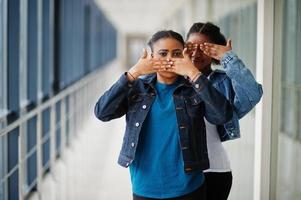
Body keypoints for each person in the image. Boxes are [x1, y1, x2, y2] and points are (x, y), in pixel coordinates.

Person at [94, 30, 233, 200]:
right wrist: (133, 73)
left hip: (190, 189)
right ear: (151, 57)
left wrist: (193, 73)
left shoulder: (195, 88)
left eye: (176, 54)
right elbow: (102, 112)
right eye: (162, 53)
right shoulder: (137, 88)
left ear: (184, 56)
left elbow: (223, 115)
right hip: (145, 188)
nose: (169, 59)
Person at [185, 22, 263, 200]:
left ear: (213, 52)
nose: (196, 54)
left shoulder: (223, 81)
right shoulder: (173, 81)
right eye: (190, 47)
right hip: (178, 171)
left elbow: (253, 93)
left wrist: (227, 58)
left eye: (203, 49)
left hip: (214, 171)